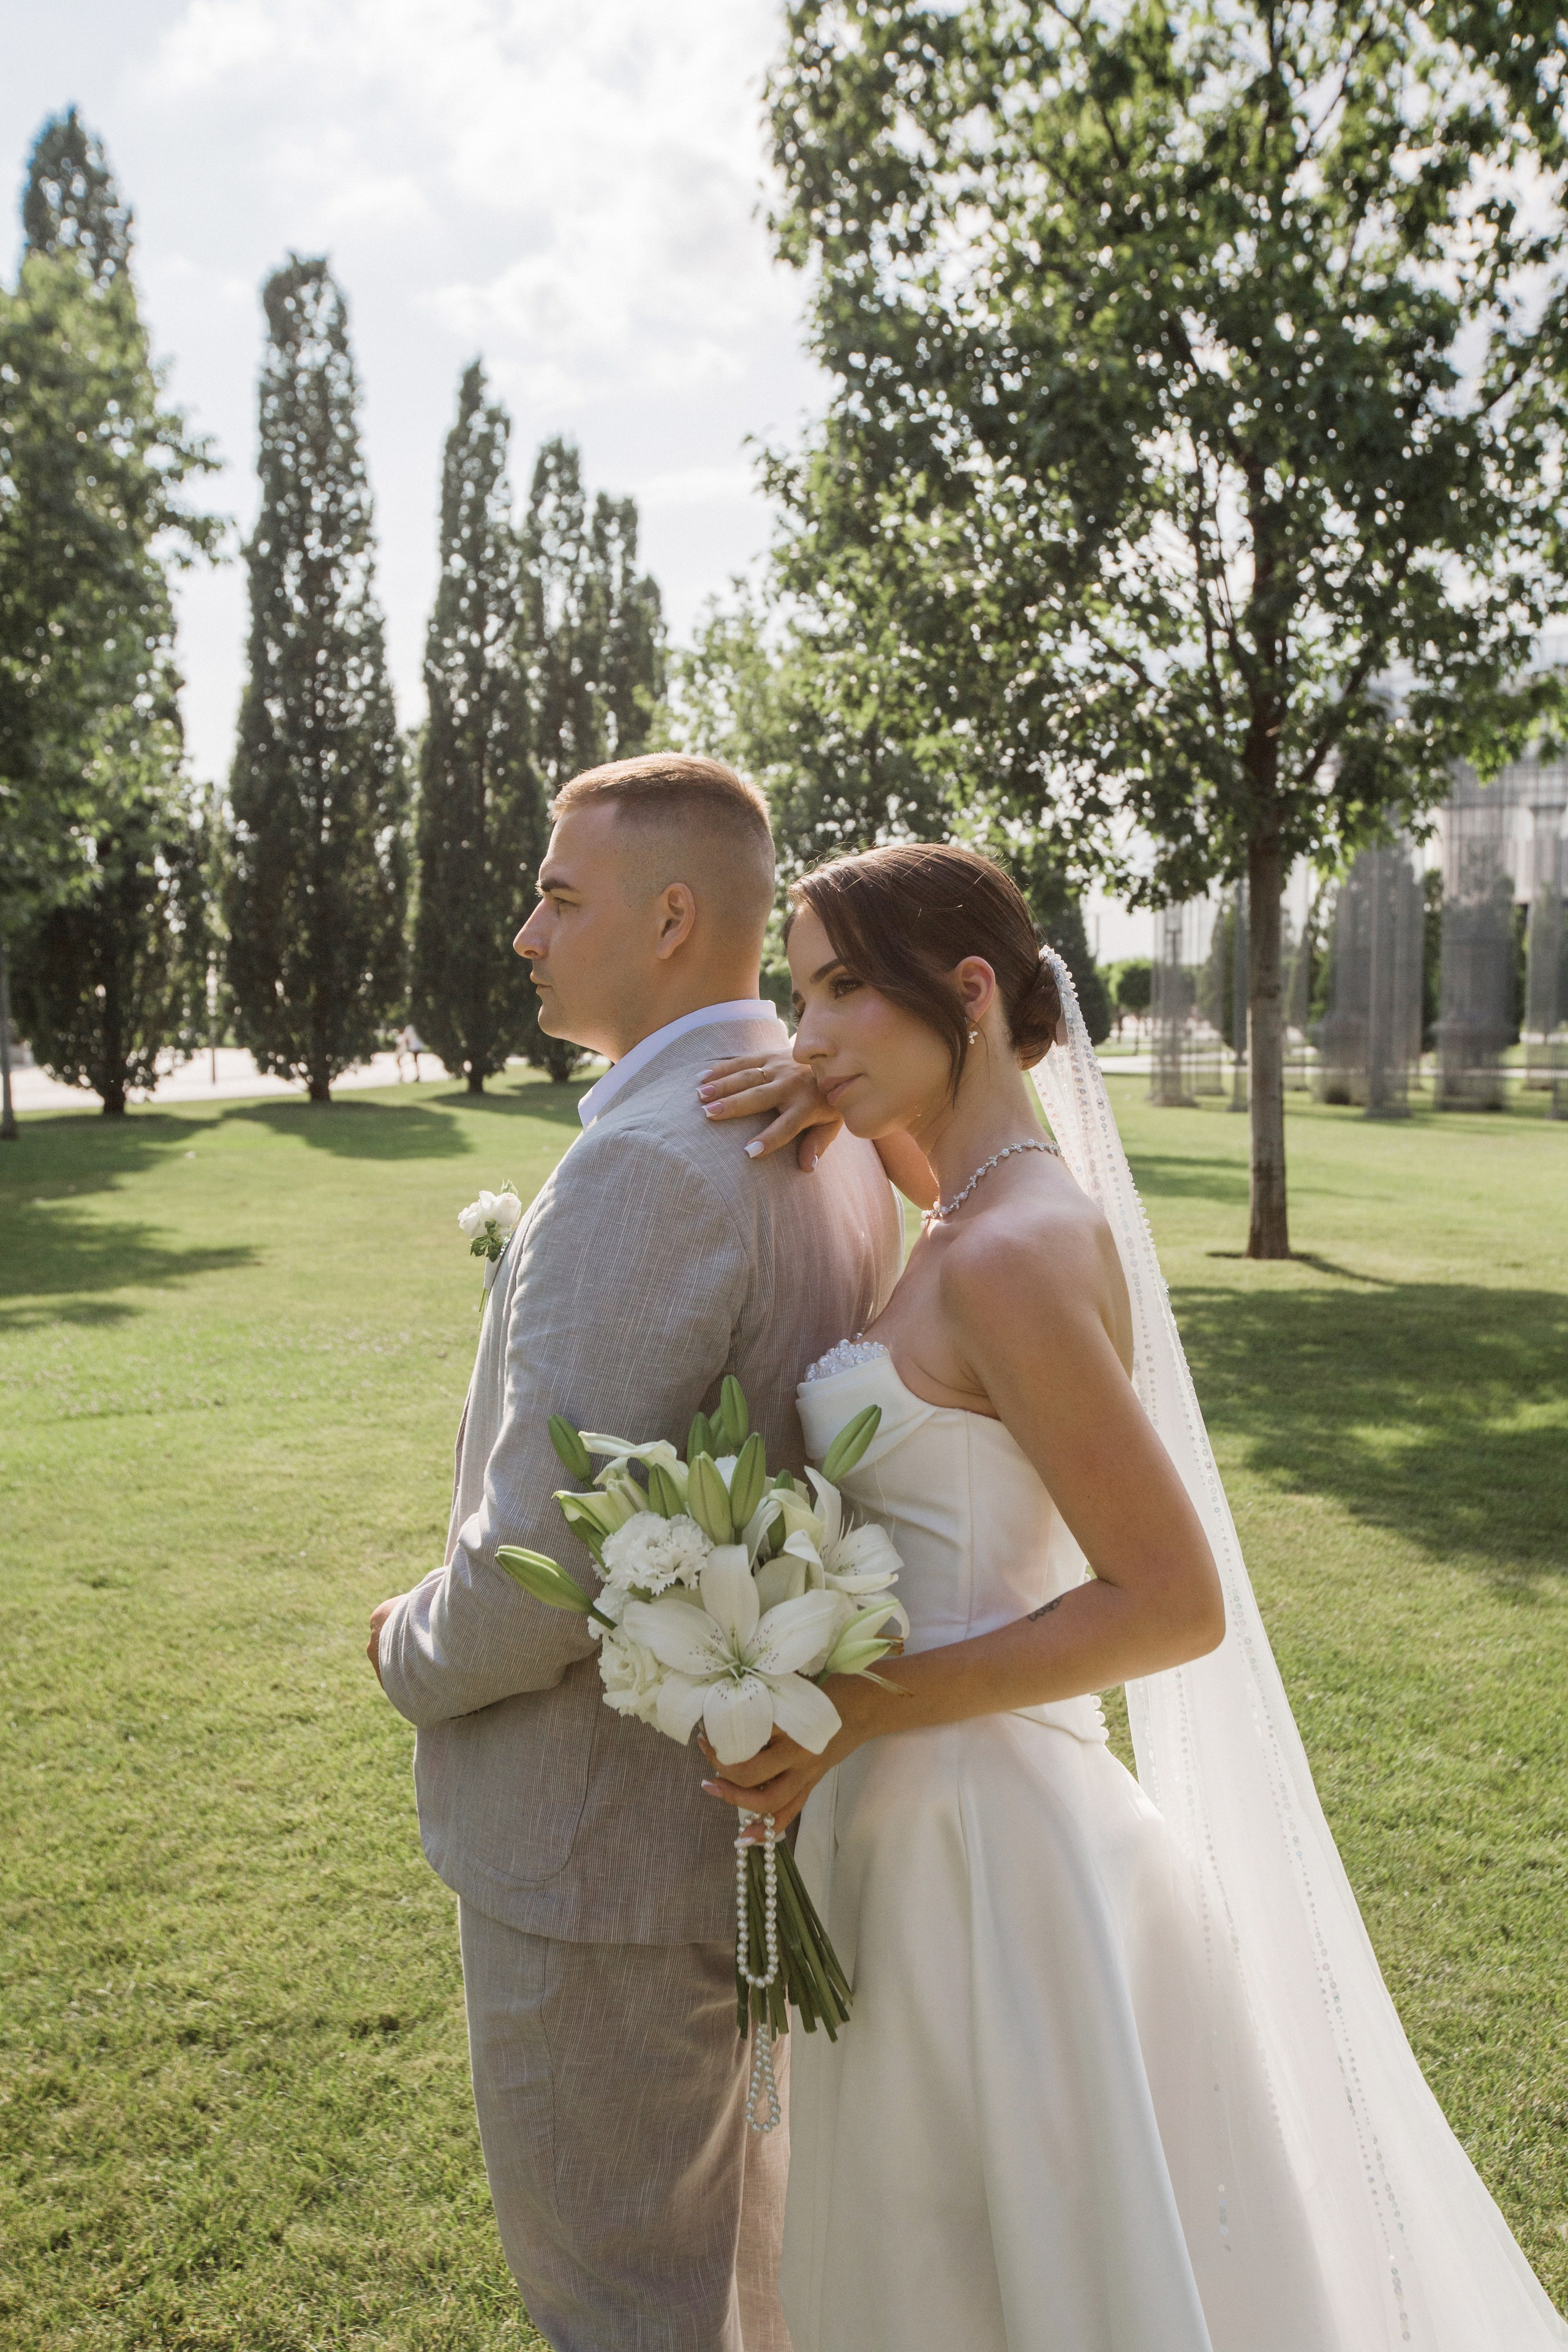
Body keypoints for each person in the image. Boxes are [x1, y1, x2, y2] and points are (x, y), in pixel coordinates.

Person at [699, 842, 1568, 2352]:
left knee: (1001, 2272)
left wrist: (843, 1708)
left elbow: (1171, 1605)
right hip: (910, 1826)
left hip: (985, 1852)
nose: (805, 1032)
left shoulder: (1014, 1252)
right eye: (794, 993)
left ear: (966, 992)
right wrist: (828, 1108)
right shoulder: (968, 1207)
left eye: (838, 988)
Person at [366, 756, 902, 2352]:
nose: (527, 932)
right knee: (731, 2274)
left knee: (621, 2303)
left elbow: (543, 1565)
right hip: (732, 1830)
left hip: (598, 1857)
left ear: (675, 919)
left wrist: (405, 1648)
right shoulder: (834, 1124)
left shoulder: (649, 1159)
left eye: (559, 895)